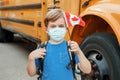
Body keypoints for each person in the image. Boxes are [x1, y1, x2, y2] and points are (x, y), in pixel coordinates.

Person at [26, 9, 91, 80]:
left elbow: (87, 70)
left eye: (61, 26)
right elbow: (31, 73)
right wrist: (31, 58)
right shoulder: (42, 48)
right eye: (53, 26)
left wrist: (79, 52)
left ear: (66, 28)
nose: (57, 29)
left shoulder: (71, 48)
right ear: (46, 29)